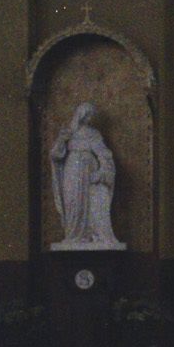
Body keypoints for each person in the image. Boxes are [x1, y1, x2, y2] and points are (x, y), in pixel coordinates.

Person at [50, 102, 124, 250]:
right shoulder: (69, 133)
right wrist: (61, 140)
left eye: (91, 115)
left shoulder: (94, 134)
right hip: (72, 172)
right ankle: (73, 236)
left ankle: (89, 234)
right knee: (73, 202)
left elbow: (104, 154)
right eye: (88, 114)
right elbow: (56, 155)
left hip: (89, 173)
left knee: (92, 202)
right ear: (81, 115)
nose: (90, 118)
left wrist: (103, 172)